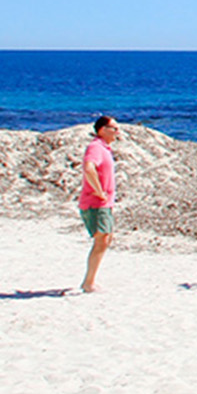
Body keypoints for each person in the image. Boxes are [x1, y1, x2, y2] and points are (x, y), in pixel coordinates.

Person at [78, 115, 120, 292]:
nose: (117, 132)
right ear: (103, 130)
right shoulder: (95, 147)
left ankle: (90, 281)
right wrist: (98, 191)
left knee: (106, 239)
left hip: (104, 202)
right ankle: (88, 283)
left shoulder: (105, 148)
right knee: (102, 239)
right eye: (114, 128)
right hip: (96, 203)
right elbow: (89, 168)